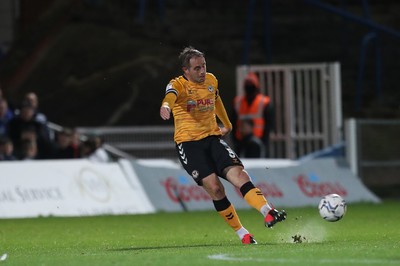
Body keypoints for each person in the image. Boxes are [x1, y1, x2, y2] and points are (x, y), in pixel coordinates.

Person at [159, 46, 286, 244]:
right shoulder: (178, 84)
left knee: (239, 175)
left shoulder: (211, 80)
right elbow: (170, 96)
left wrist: (227, 124)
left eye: (204, 66)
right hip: (189, 145)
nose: (202, 71)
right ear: (186, 70)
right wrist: (166, 106)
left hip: (212, 139)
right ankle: (242, 233)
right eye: (197, 68)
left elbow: (216, 100)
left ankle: (268, 211)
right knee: (215, 189)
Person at [232, 72, 273, 157]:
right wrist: (235, 140)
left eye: (251, 84)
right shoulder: (238, 102)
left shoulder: (264, 102)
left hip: (258, 141)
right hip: (241, 142)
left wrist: (264, 140)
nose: (249, 86)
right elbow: (233, 121)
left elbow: (269, 123)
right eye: (247, 84)